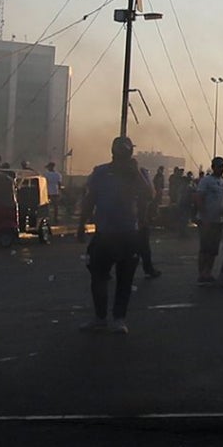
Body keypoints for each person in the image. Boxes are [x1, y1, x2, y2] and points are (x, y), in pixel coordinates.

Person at [81, 136, 148, 332]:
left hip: (129, 233)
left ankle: (119, 318)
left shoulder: (137, 173)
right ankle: (100, 317)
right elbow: (90, 198)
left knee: (124, 279)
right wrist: (81, 224)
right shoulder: (101, 172)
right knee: (98, 277)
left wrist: (135, 173)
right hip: (104, 234)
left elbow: (149, 195)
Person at [193, 157, 223, 285]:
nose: (222, 169)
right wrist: (204, 216)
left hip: (218, 221)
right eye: (219, 166)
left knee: (214, 249)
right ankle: (202, 274)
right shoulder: (206, 181)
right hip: (206, 220)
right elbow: (199, 198)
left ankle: (208, 272)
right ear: (213, 167)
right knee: (205, 248)